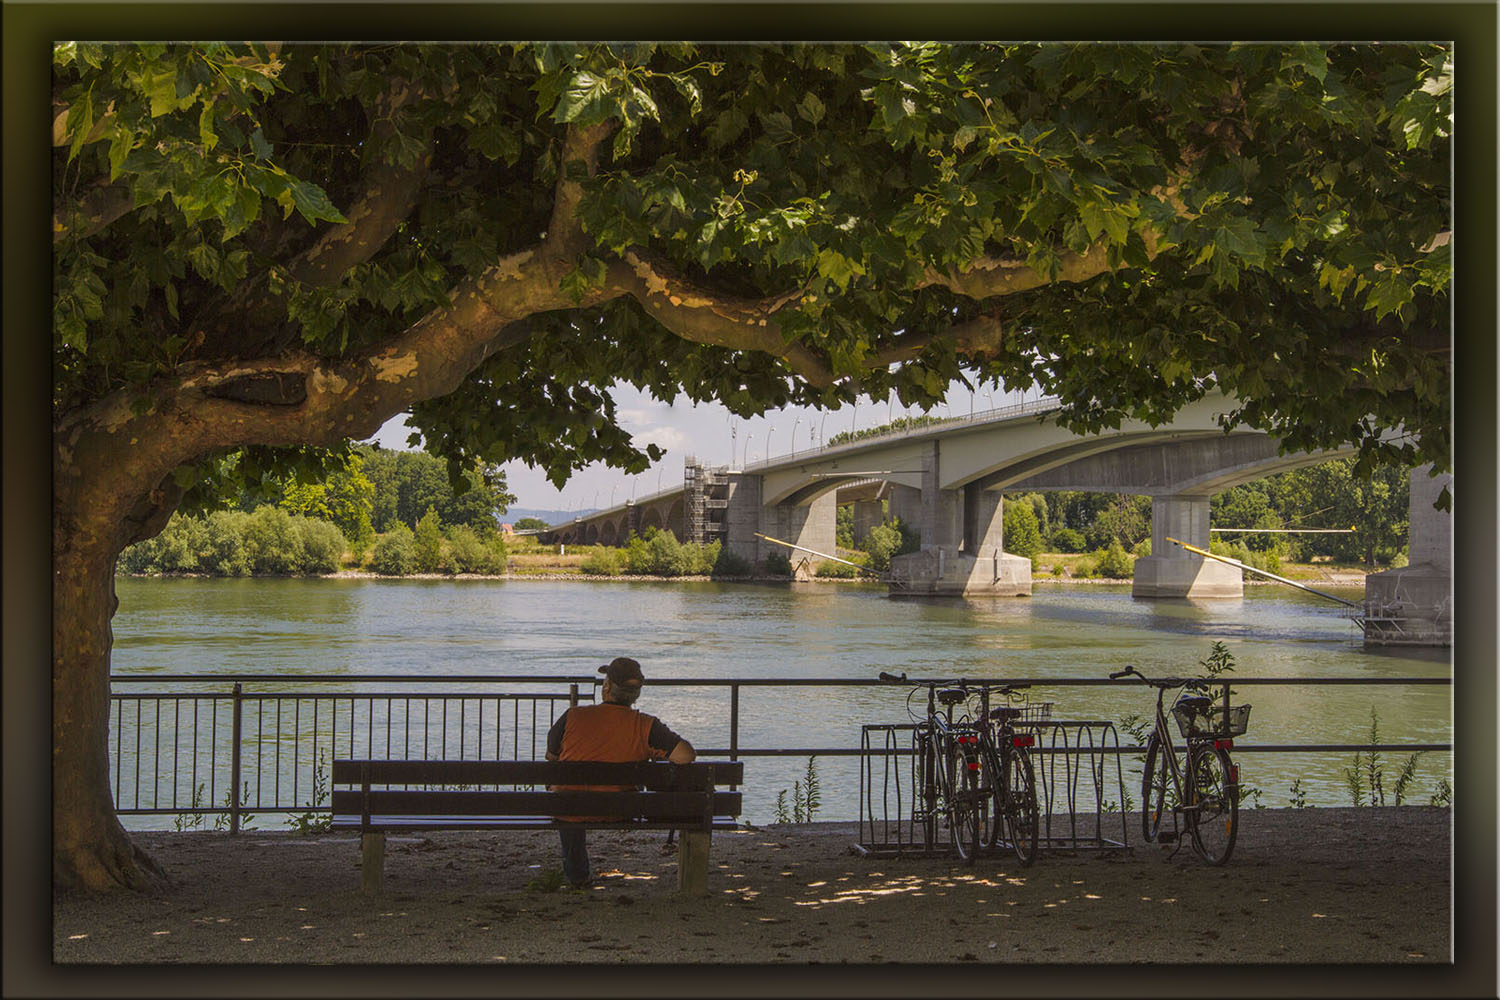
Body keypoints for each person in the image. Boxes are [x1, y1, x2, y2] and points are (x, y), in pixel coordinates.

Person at [544, 656, 695, 888]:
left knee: (568, 798)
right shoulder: (645, 725)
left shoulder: (573, 716)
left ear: (606, 688)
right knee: (576, 798)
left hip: (568, 808)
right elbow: (686, 755)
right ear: (636, 694)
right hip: (620, 809)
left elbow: (551, 756)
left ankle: (577, 876)